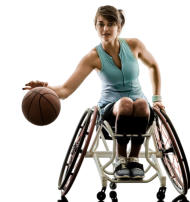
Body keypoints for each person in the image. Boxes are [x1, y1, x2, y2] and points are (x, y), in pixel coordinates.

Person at [23, 5, 165, 179]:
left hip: (140, 107)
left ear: (118, 27)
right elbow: (66, 90)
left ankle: (134, 157)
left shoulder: (134, 45)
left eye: (110, 24)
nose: (105, 29)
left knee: (142, 104)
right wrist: (45, 87)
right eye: (101, 24)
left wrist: (157, 98)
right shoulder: (93, 57)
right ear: (95, 27)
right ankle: (120, 158)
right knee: (126, 103)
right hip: (110, 109)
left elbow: (153, 66)